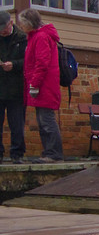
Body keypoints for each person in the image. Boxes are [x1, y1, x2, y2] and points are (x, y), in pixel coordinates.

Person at [19, 8, 63, 163]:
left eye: (23, 23)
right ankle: (49, 152)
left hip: (44, 85)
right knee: (43, 119)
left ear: (29, 23)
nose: (21, 27)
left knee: (46, 120)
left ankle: (54, 153)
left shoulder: (41, 37)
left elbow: (42, 63)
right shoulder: (37, 36)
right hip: (43, 84)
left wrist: (34, 84)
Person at [0, 11, 27, 163]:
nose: (2, 32)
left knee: (16, 123)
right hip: (1, 85)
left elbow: (27, 61)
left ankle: (17, 154)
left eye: (4, 28)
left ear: (11, 23)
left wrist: (14, 65)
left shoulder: (22, 38)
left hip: (16, 88)